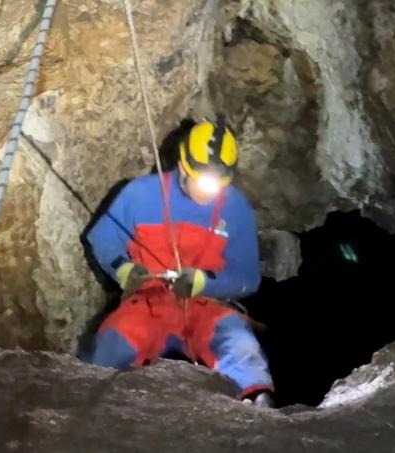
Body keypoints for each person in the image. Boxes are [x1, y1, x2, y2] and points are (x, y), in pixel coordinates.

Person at [84, 118, 274, 407]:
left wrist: (205, 283)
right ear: (184, 166)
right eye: (202, 181)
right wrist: (122, 268)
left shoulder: (235, 209)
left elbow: (247, 277)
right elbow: (103, 236)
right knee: (111, 345)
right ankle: (94, 413)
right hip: (148, 301)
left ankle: (257, 406)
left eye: (217, 184)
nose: (208, 192)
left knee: (241, 346)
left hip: (206, 304)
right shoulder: (141, 194)